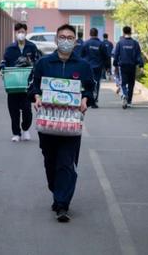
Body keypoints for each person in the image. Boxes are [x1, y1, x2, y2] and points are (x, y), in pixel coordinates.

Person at [28, 24, 95, 223]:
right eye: (62, 37)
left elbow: (90, 89)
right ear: (57, 40)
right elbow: (33, 86)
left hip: (71, 124)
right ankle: (57, 191)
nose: (66, 40)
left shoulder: (83, 66)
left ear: (75, 41)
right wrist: (37, 97)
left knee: (66, 163)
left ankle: (62, 204)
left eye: (70, 37)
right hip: (47, 123)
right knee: (51, 162)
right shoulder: (44, 63)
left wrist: (85, 99)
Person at [0, 23, 41, 142]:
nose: (20, 34)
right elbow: (4, 62)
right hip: (13, 83)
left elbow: (37, 61)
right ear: (15, 33)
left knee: (27, 109)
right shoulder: (10, 49)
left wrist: (34, 67)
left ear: (26, 32)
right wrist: (2, 69)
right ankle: (16, 133)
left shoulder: (32, 47)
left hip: (27, 84)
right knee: (13, 110)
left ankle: (26, 129)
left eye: (22, 31)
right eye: (18, 32)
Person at [113, 26, 144, 109]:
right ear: (131, 32)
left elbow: (116, 55)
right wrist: (141, 66)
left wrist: (115, 65)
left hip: (123, 66)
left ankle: (125, 95)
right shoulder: (135, 43)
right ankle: (129, 101)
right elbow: (138, 55)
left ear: (123, 33)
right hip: (132, 66)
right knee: (131, 84)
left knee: (123, 83)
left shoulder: (120, 43)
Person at [81, 28, 105, 109]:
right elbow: (105, 56)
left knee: (86, 83)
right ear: (97, 34)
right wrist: (107, 67)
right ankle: (94, 101)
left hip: (87, 67)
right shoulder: (101, 44)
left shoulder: (85, 43)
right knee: (96, 83)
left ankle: (86, 99)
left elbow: (81, 55)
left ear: (89, 34)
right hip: (98, 67)